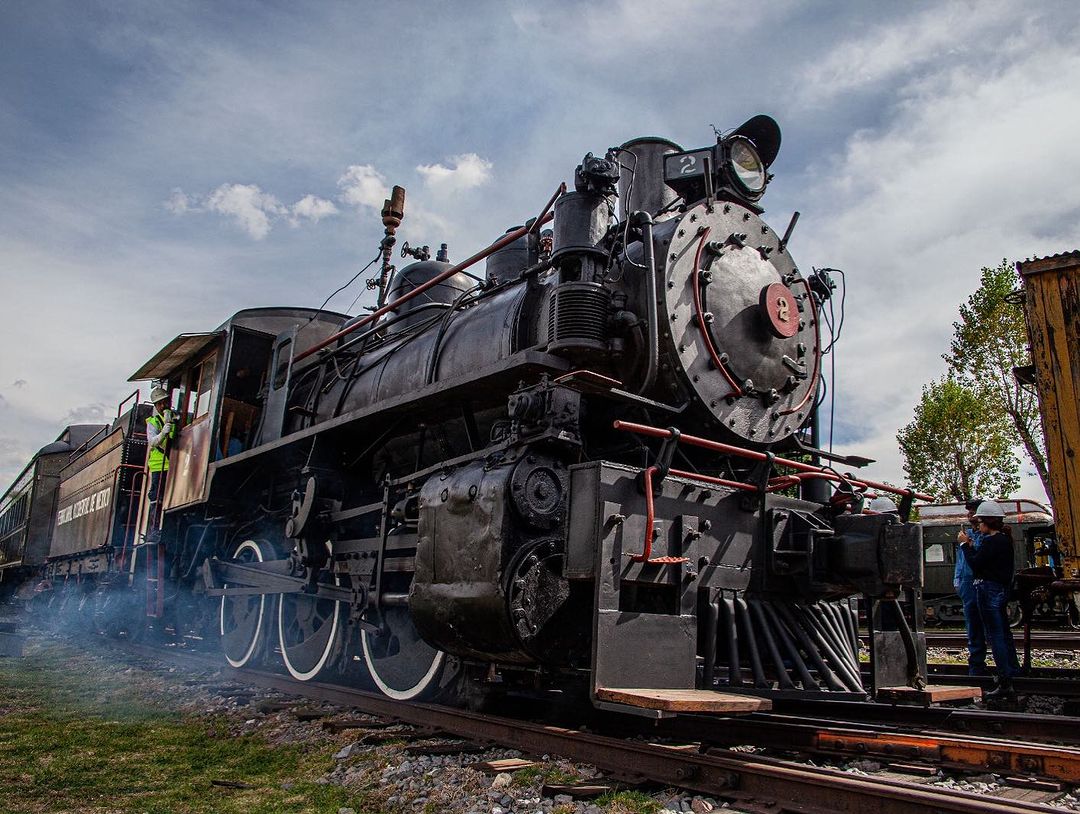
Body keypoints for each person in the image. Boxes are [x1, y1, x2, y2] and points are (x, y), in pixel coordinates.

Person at [958, 500, 1017, 699]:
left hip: (987, 590)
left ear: (986, 523)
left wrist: (965, 545)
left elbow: (976, 564)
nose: (978, 524)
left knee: (995, 636)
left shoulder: (991, 541)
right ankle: (1009, 673)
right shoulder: (1004, 540)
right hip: (999, 589)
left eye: (980, 521)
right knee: (1002, 632)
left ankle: (1005, 681)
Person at [955, 498, 987, 676]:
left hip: (982, 581)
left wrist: (966, 544)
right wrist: (957, 581)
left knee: (990, 625)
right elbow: (960, 561)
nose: (970, 515)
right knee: (973, 627)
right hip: (968, 583)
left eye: (973, 512)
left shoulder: (983, 536)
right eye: (969, 512)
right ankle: (976, 665)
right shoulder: (966, 534)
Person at [144, 386, 178, 543]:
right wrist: (164, 432)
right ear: (156, 406)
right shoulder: (153, 422)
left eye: (165, 402)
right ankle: (153, 529)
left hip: (173, 465)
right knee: (156, 499)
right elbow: (152, 441)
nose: (163, 405)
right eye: (160, 403)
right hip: (159, 465)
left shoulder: (175, 417)